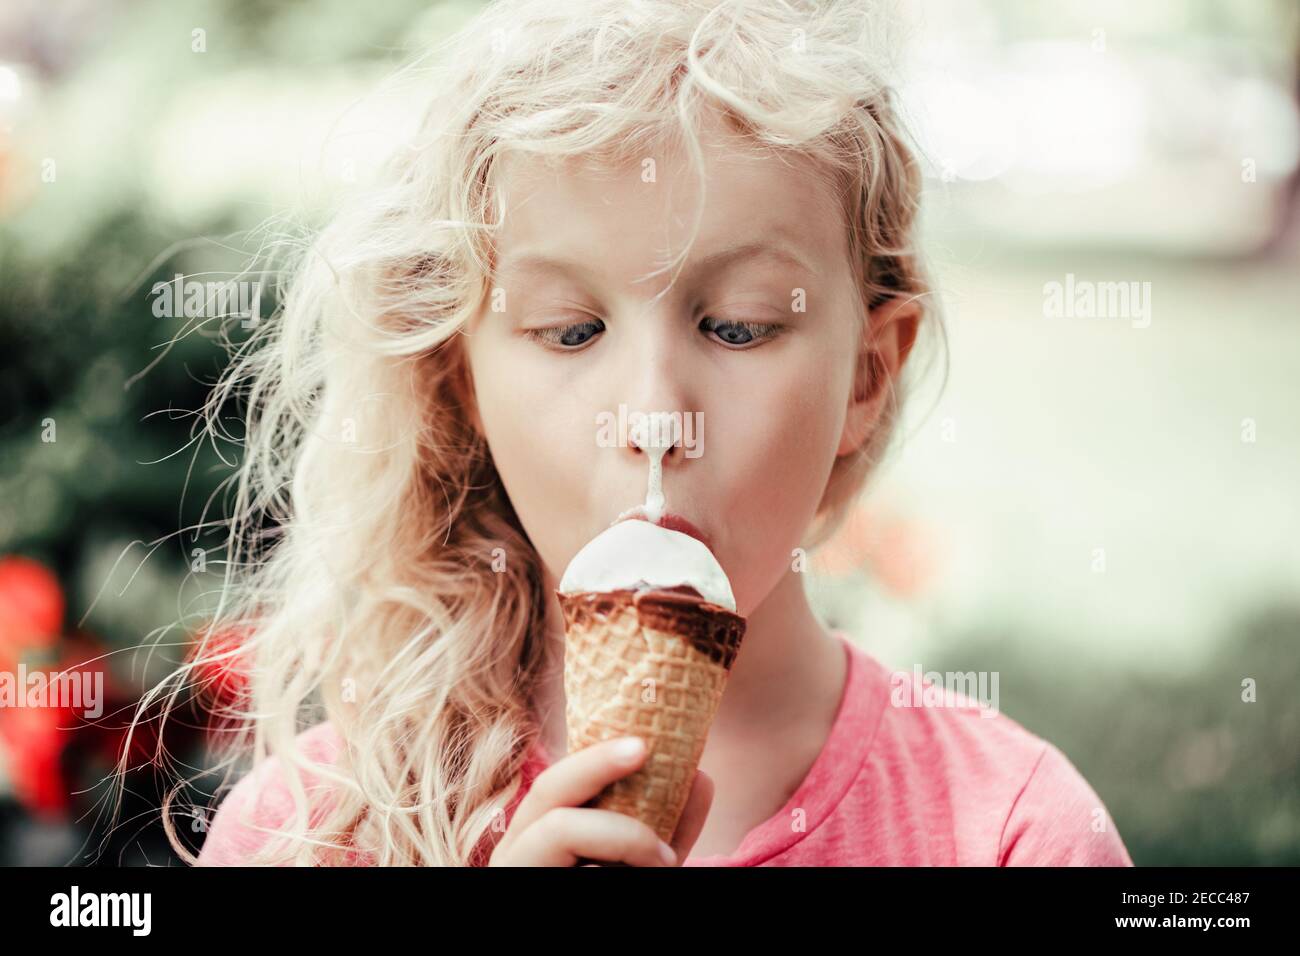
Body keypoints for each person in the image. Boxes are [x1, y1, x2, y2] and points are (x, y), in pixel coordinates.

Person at [156, 0, 1132, 867]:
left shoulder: (1012, 832)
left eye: (740, 325)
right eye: (570, 331)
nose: (655, 418)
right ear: (462, 384)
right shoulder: (313, 832)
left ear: (867, 374)